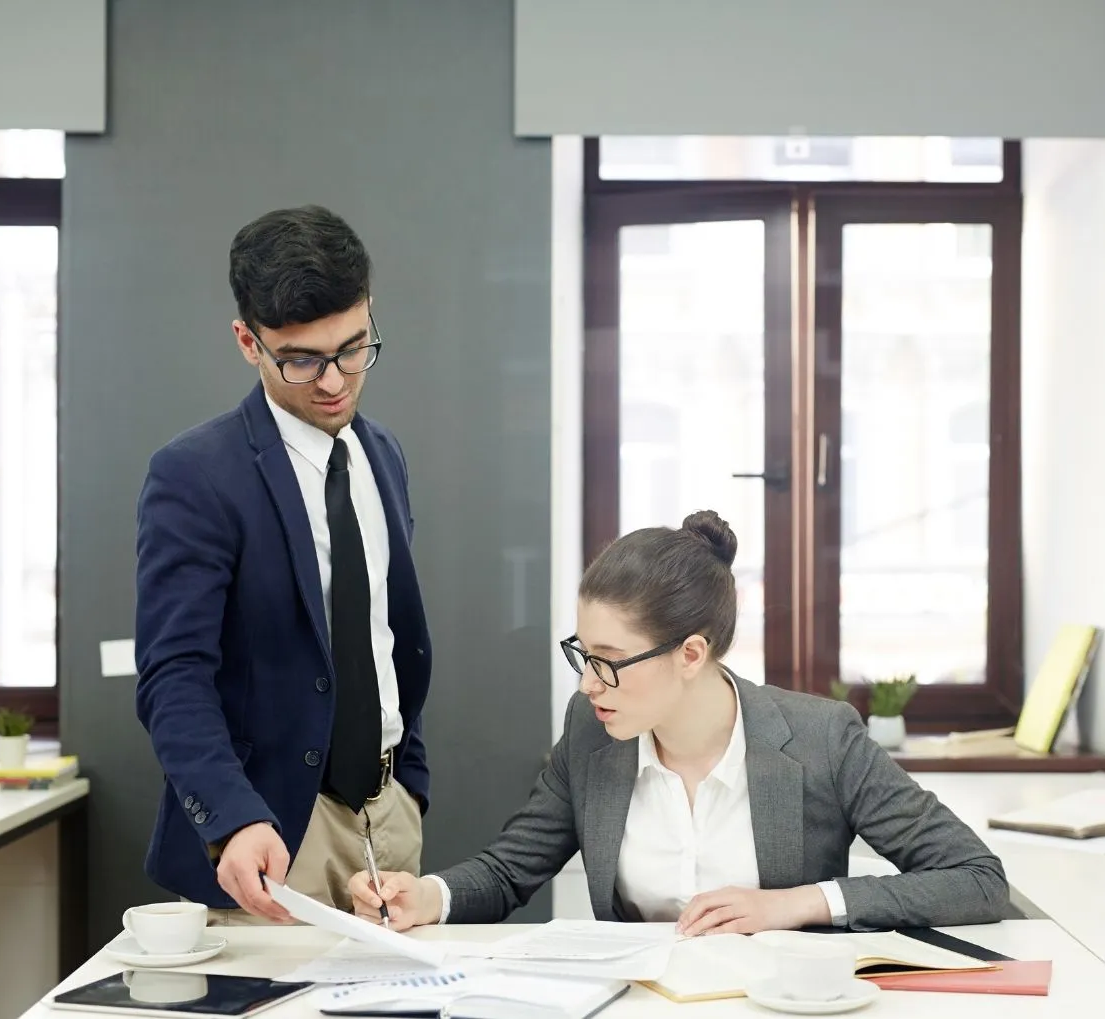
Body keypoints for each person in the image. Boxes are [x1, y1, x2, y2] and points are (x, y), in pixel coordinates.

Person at [349, 510, 1009, 935]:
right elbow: (508, 871)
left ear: (691, 653)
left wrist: (800, 901)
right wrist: (427, 894)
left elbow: (976, 878)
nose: (586, 684)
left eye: (608, 661)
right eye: (582, 653)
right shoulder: (592, 730)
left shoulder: (822, 737)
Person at [134, 205, 432, 923]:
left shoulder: (381, 454)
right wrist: (232, 818)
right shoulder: (195, 474)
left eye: (354, 348)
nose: (333, 381)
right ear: (248, 341)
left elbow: (384, 638)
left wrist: (410, 783)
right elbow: (174, 673)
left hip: (389, 819)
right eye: (301, 358)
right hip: (265, 835)